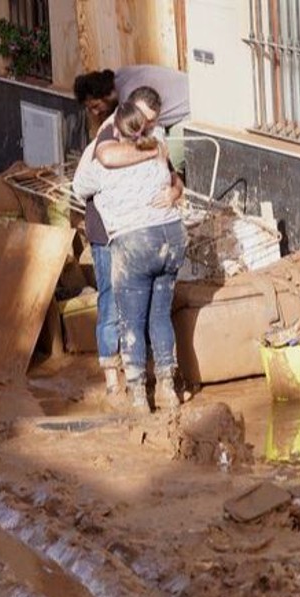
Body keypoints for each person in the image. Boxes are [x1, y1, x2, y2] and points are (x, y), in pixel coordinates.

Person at [73, 102, 187, 413]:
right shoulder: (158, 151)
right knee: (160, 316)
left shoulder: (106, 161)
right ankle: (167, 390)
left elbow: (79, 186)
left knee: (131, 321)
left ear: (116, 132)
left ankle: (138, 396)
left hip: (136, 242)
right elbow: (176, 181)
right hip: (172, 238)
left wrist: (93, 147)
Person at [74, 65, 189, 171]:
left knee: (167, 162)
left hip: (191, 112)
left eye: (96, 106)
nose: (95, 113)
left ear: (106, 94)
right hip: (189, 92)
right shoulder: (120, 75)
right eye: (90, 109)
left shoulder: (130, 97)